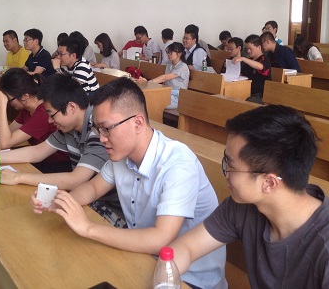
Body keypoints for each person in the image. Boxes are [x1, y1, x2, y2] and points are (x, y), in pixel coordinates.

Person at [33, 78, 226, 289]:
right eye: (97, 129)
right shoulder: (122, 154)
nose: (101, 138)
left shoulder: (177, 165)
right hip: (144, 257)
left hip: (187, 279)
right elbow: (93, 188)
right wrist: (63, 201)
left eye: (106, 129)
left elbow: (160, 239)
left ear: (137, 123)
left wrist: (88, 228)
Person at [169, 105, 329, 288]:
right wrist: (166, 277)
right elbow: (186, 247)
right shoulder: (242, 206)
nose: (226, 174)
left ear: (269, 183)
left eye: (230, 165)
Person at [0, 73, 122, 223]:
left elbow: (75, 179)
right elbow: (37, 152)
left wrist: (18, 177)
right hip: (86, 199)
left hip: (109, 210)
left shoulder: (98, 132)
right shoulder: (69, 127)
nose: (49, 120)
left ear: (71, 107)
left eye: (51, 114)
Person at [0, 68, 71, 173]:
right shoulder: (28, 109)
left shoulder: (42, 113)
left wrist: (2, 105)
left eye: (9, 100)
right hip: (42, 159)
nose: (9, 104)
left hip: (57, 165)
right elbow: (8, 131)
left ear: (24, 96)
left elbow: (5, 143)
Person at [138, 42, 189, 109]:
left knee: (151, 100)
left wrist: (148, 83)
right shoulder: (169, 66)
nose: (169, 54)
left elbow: (165, 78)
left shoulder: (183, 67)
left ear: (179, 54)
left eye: (171, 52)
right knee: (147, 97)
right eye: (168, 52)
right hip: (167, 93)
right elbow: (165, 82)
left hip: (178, 98)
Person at [233, 34, 271, 104]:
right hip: (247, 90)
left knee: (244, 103)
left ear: (259, 47)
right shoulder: (249, 60)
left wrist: (243, 58)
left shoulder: (264, 59)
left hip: (260, 95)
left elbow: (260, 66)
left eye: (250, 49)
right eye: (247, 49)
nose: (248, 51)